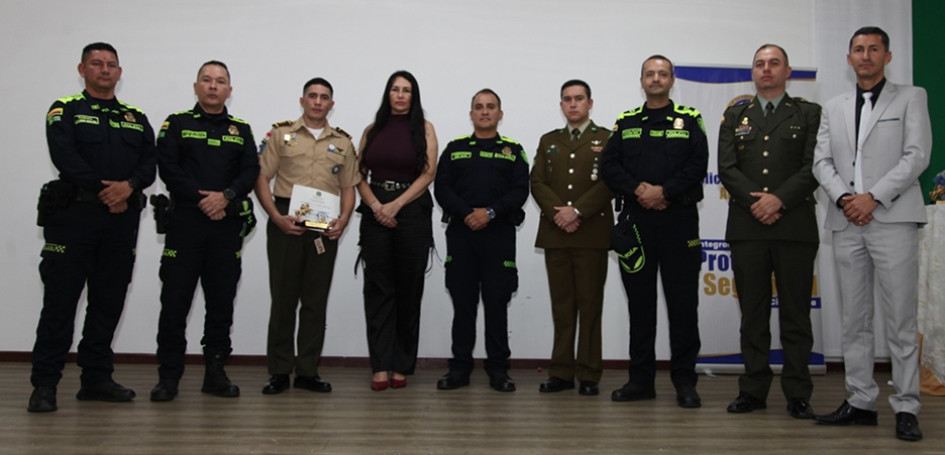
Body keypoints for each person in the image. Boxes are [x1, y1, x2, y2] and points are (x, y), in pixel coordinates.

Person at [812, 26, 931, 442]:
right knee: (854, 320)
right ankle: (861, 399)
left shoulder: (912, 97)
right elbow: (821, 161)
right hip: (846, 221)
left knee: (899, 320)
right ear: (848, 59)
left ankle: (906, 405)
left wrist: (873, 198)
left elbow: (917, 156)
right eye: (858, 50)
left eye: (873, 49)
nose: (865, 56)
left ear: (887, 56)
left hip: (893, 218)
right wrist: (846, 198)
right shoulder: (834, 106)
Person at [28, 42, 156, 413]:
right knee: (60, 303)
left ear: (119, 72)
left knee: (108, 301)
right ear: (82, 69)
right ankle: (45, 384)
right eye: (97, 64)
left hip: (120, 222)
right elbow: (64, 156)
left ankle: (96, 378)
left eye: (111, 65)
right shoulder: (65, 109)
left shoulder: (135, 117)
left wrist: (128, 188)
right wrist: (107, 190)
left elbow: (150, 164)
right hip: (75, 218)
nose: (104, 70)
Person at [718, 44, 821, 419]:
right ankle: (753, 390)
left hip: (794, 226)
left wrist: (778, 200)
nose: (766, 69)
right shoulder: (736, 114)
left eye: (774, 63)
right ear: (753, 72)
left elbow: (814, 166)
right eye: (760, 64)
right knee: (753, 314)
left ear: (787, 71)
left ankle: (798, 393)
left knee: (796, 314)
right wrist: (756, 202)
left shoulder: (809, 113)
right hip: (748, 228)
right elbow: (726, 167)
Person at [600, 55, 707, 408]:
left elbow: (697, 164)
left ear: (672, 79)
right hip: (637, 225)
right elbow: (609, 166)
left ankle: (685, 382)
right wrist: (639, 191)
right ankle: (641, 380)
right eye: (650, 74)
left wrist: (664, 192)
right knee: (641, 307)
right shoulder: (626, 121)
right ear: (641, 80)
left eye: (662, 74)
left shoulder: (690, 119)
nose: (656, 79)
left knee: (682, 307)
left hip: (678, 222)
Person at [150, 61, 260, 402]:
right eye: (207, 80)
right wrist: (203, 199)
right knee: (174, 303)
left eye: (221, 81)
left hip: (225, 227)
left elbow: (250, 170)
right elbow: (167, 167)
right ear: (196, 87)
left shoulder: (240, 129)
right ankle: (168, 377)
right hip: (186, 224)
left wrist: (225, 198)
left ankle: (215, 372)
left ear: (229, 89)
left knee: (221, 303)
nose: (213, 86)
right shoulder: (177, 124)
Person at [255, 78, 359, 395]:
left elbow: (348, 188)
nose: (317, 102)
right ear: (302, 101)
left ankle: (307, 371)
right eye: (312, 96)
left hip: (324, 224)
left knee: (315, 300)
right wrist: (275, 216)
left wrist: (343, 220)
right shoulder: (281, 134)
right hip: (286, 218)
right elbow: (262, 178)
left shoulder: (342, 142)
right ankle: (279, 371)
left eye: (324, 97)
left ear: (331, 104)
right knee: (284, 299)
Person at [433, 89, 529, 392]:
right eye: (479, 107)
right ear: (471, 113)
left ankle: (498, 370)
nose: (485, 112)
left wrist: (489, 213)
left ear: (500, 114)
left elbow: (520, 191)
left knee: (497, 302)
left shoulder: (513, 150)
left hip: (498, 234)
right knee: (463, 303)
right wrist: (467, 214)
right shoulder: (455, 148)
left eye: (491, 107)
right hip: (462, 234)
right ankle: (459, 368)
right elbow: (442, 188)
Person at [356, 71, 438, 391]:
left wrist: (396, 205)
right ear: (387, 94)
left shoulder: (425, 129)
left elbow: (429, 173)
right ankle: (380, 365)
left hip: (412, 210)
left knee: (408, 288)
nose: (400, 95)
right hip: (375, 209)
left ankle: (402, 364)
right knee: (378, 289)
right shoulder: (371, 130)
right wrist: (377, 206)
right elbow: (357, 174)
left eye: (407, 90)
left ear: (414, 96)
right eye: (395, 89)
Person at [531, 80, 613, 396]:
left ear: (590, 103)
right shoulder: (549, 140)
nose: (573, 104)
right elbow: (536, 182)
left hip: (591, 233)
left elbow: (609, 182)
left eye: (579, 99)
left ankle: (589, 374)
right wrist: (559, 214)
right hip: (557, 234)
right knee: (562, 308)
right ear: (561, 105)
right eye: (567, 99)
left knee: (590, 306)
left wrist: (576, 211)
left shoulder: (606, 139)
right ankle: (562, 372)